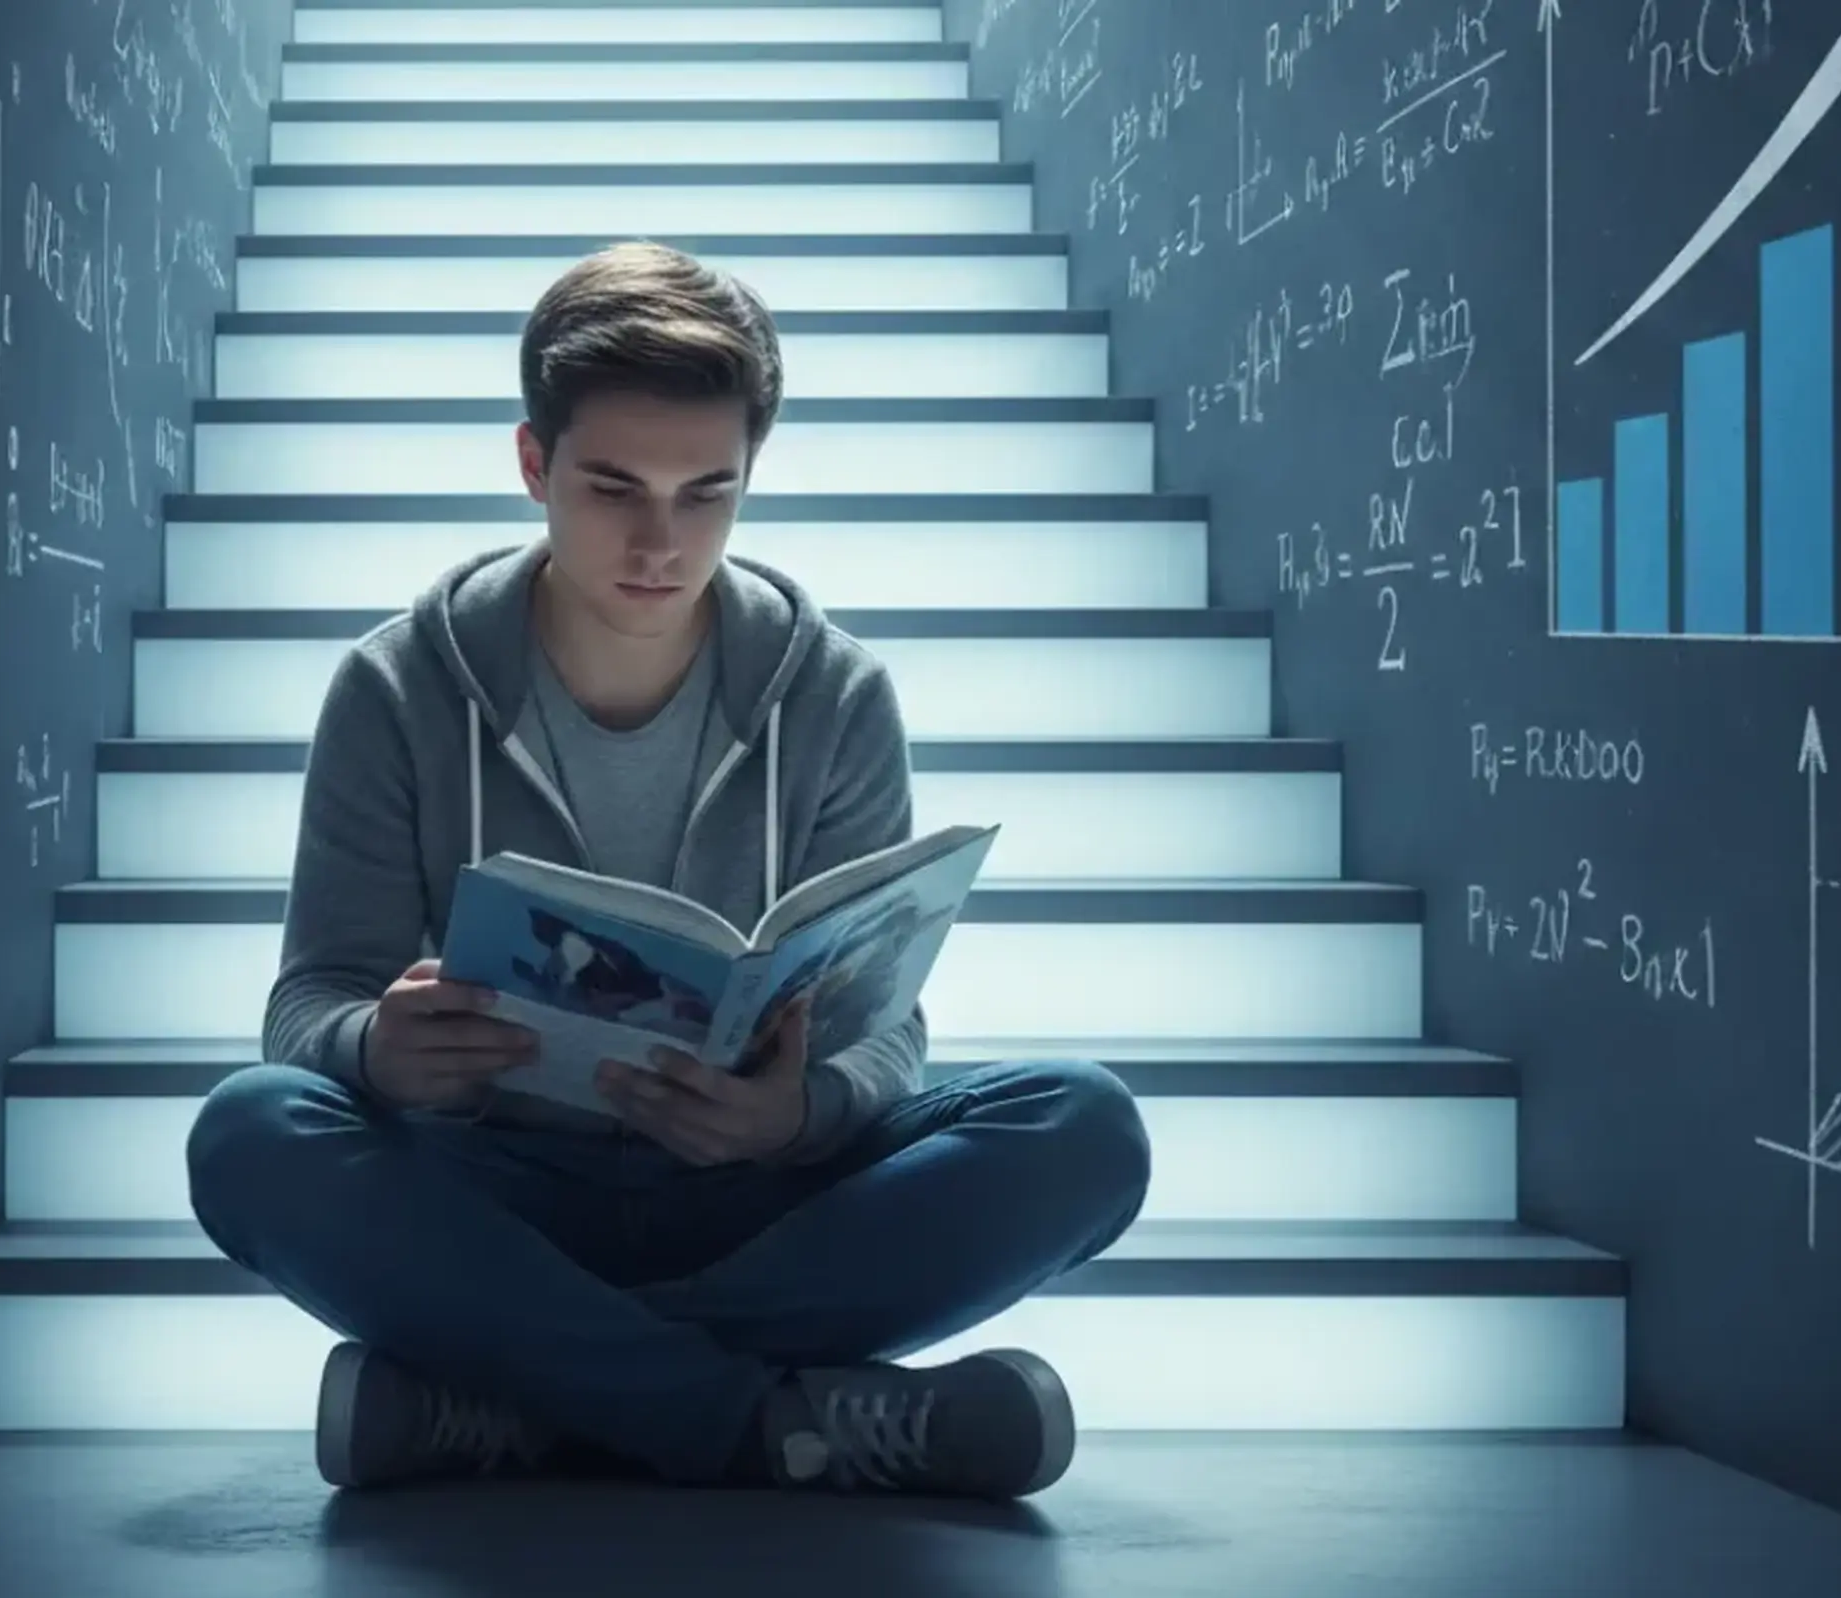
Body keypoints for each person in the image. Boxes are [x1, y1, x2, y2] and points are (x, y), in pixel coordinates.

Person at [183, 240, 1153, 1500]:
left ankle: (527, 1398)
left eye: (709, 492)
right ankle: (757, 1416)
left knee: (1083, 1126)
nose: (661, 539)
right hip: (500, 1195)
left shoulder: (837, 693)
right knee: (250, 1133)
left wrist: (794, 1114)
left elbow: (882, 1034)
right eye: (613, 487)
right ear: (533, 464)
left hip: (754, 1195)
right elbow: (305, 1006)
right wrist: (377, 1045)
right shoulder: (393, 687)